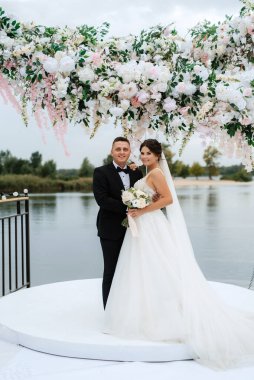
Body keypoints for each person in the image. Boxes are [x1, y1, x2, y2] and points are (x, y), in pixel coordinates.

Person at [103, 138, 254, 369]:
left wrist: (142, 210)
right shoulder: (147, 172)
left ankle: (161, 315)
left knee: (158, 267)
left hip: (150, 223)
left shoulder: (155, 174)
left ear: (157, 156)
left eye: (148, 154)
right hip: (145, 224)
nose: (144, 157)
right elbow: (155, 195)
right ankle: (147, 311)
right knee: (147, 268)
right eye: (142, 153)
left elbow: (168, 199)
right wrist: (140, 197)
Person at [93, 137, 143, 308]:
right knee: (111, 271)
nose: (122, 152)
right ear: (111, 151)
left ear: (129, 152)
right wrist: (128, 207)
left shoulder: (136, 171)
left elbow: (143, 194)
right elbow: (102, 200)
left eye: (125, 149)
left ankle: (128, 309)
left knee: (132, 270)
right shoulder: (100, 172)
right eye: (118, 149)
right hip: (110, 230)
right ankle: (109, 310)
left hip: (135, 230)